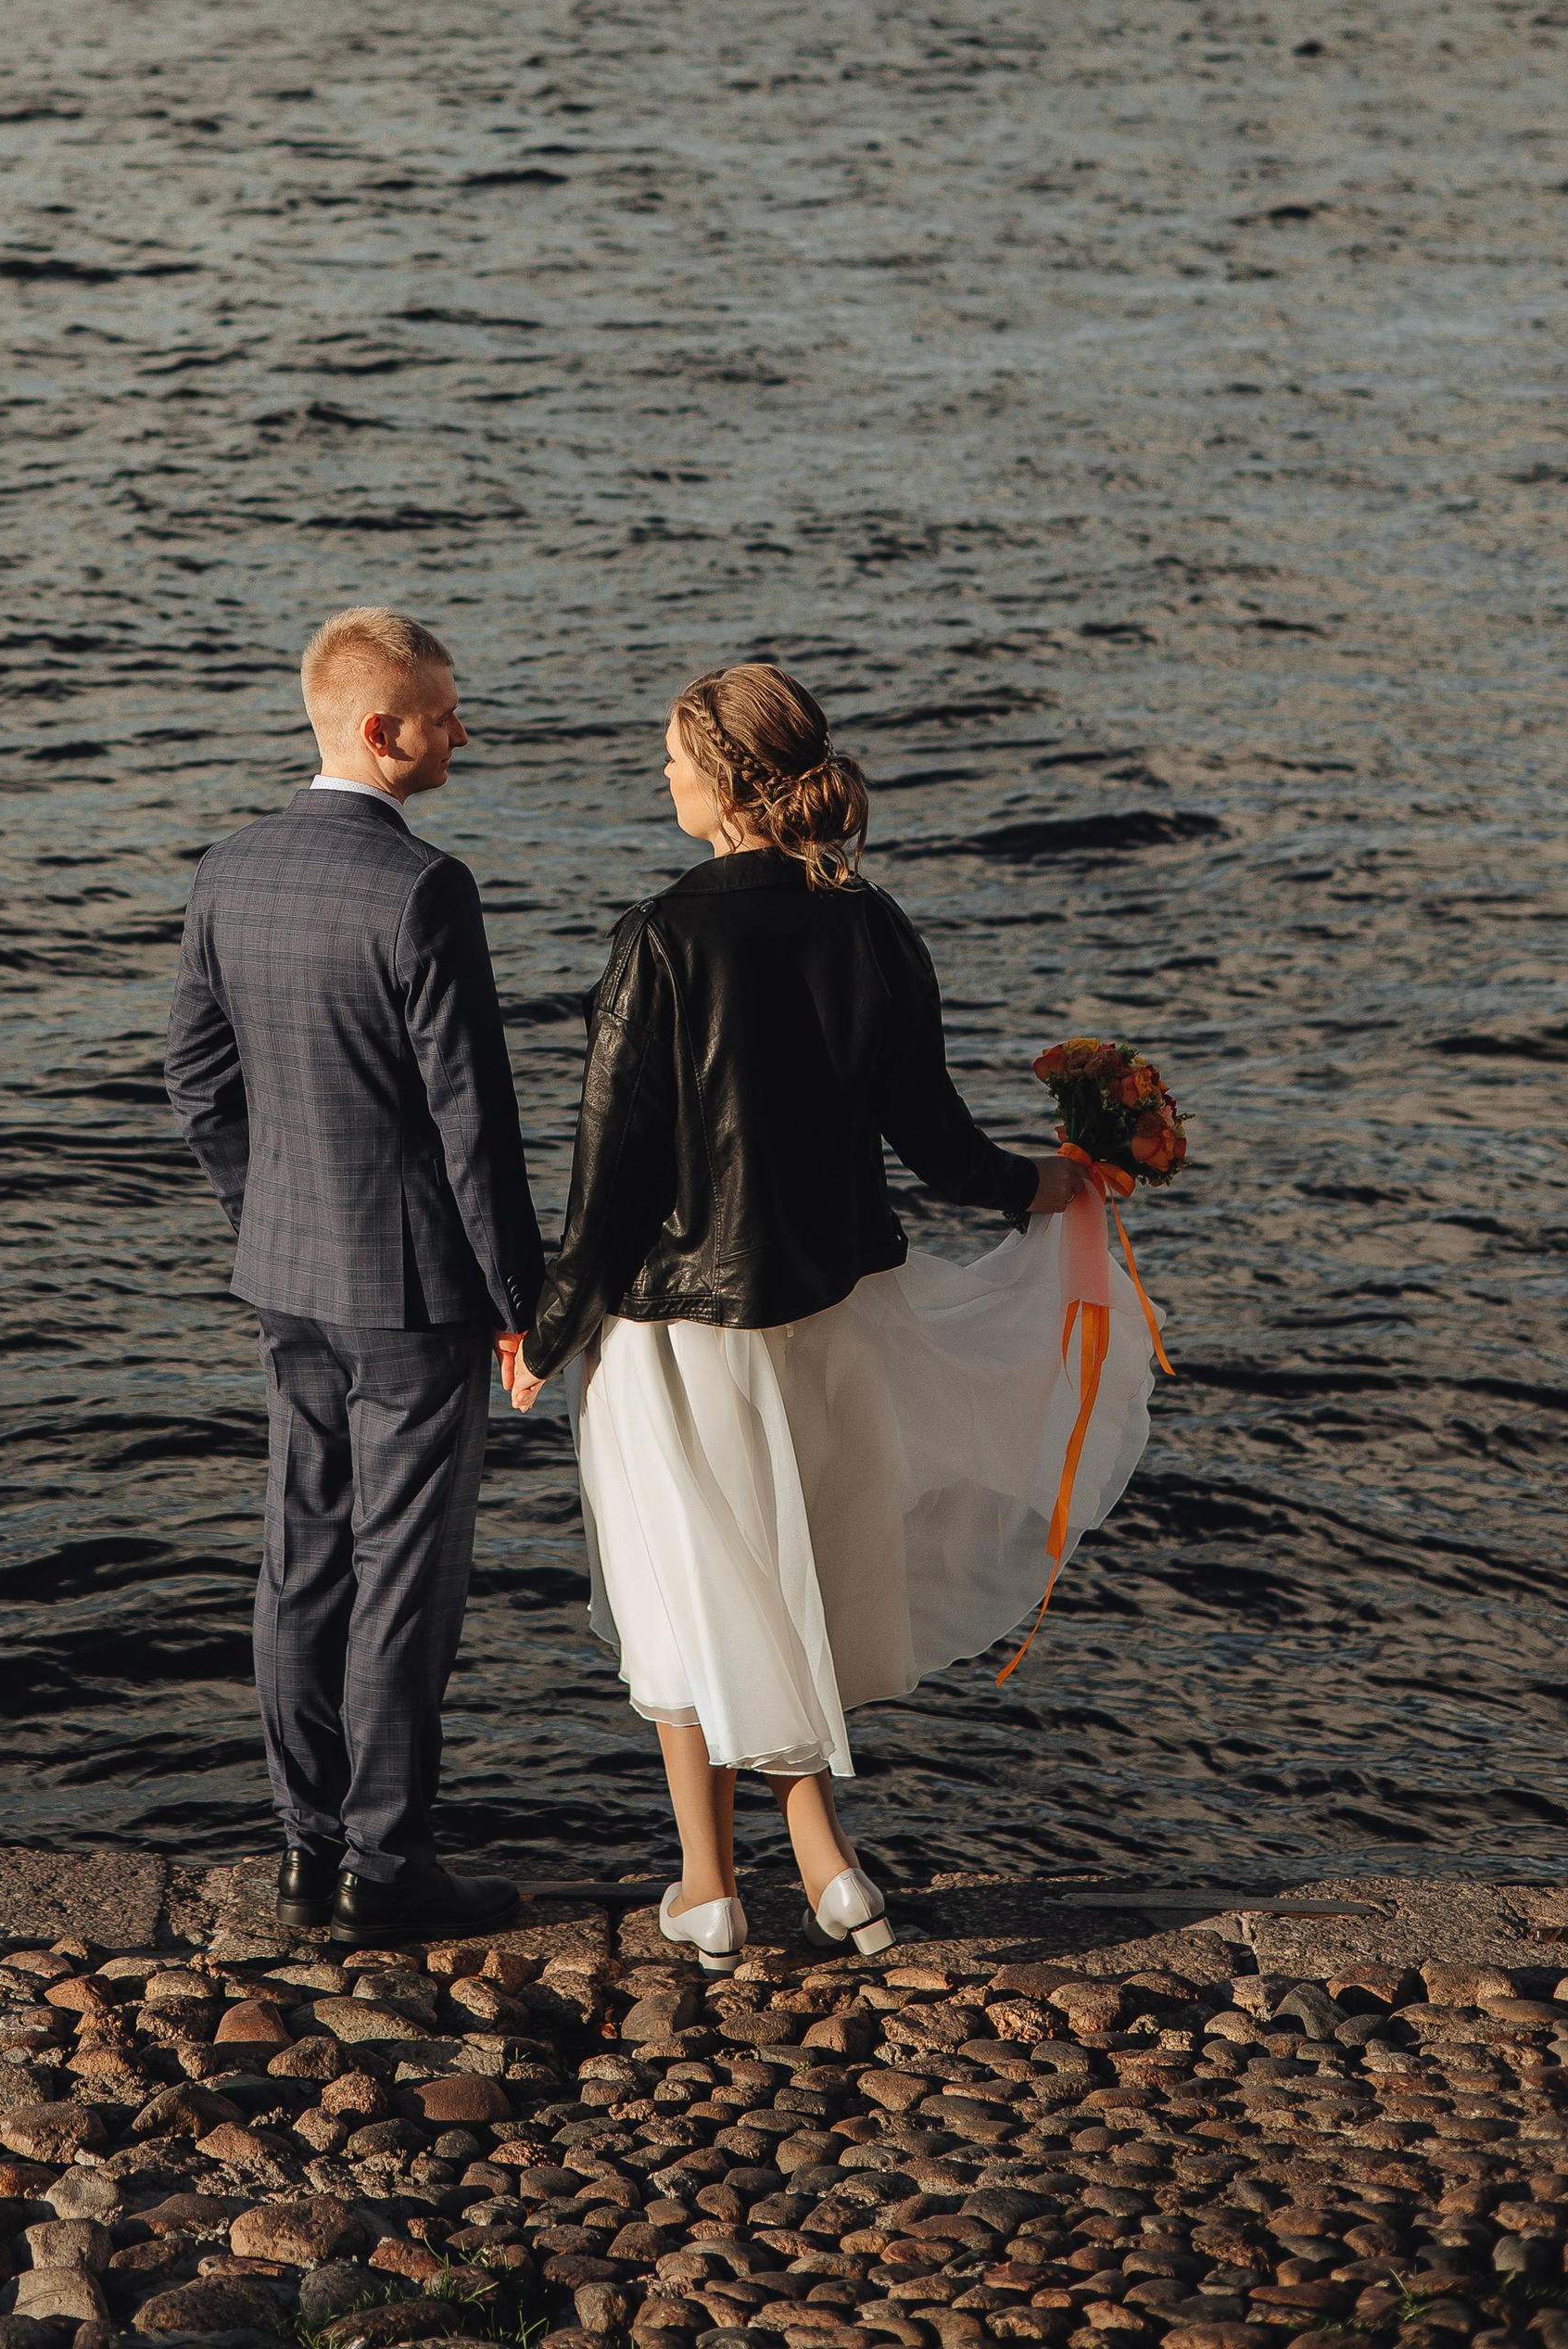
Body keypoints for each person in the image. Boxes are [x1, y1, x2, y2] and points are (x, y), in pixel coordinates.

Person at [503, 661, 1152, 1971]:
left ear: (732, 777)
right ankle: (827, 1866)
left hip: (678, 1332)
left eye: (676, 757)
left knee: (685, 1597)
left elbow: (612, 1179)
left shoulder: (660, 938)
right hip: (833, 1321)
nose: (663, 776)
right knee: (776, 1594)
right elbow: (940, 1144)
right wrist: (1051, 1185)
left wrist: (547, 1326)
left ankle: (708, 1888)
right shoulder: (873, 927)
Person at [166, 606, 546, 1944]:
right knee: (404, 1577)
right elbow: (472, 1123)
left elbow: (197, 1082)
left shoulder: (232, 867)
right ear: (382, 735)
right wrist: (523, 1305)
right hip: (414, 1294)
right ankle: (389, 1867)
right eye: (444, 713)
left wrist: (261, 1208)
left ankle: (302, 1847)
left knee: (298, 1558)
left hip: (285, 1272)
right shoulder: (424, 886)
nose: (461, 731)